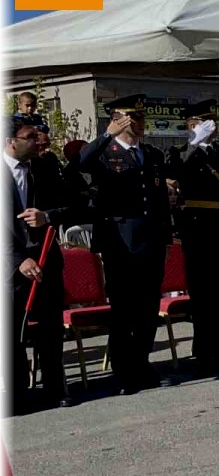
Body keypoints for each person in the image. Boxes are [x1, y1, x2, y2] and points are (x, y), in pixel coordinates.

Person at [77, 94, 172, 395]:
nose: (141, 124)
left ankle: (142, 363)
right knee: (124, 310)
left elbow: (158, 202)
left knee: (148, 308)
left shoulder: (152, 155)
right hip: (121, 243)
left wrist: (166, 236)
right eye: (134, 118)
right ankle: (124, 371)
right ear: (118, 120)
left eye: (142, 118)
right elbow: (81, 162)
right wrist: (107, 135)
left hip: (151, 241)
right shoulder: (105, 154)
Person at [164, 100, 219, 375]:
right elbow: (174, 175)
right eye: (205, 122)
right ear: (192, 125)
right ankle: (203, 353)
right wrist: (194, 145)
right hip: (199, 229)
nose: (212, 127)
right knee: (203, 295)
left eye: (212, 122)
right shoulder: (179, 153)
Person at [6, 117, 87, 409]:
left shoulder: (44, 167)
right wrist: (17, 259)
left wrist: (47, 216)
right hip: (11, 268)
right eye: (29, 136)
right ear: (11, 141)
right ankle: (17, 396)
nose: (37, 141)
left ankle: (55, 388)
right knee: (13, 333)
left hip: (46, 262)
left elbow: (75, 206)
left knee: (51, 331)